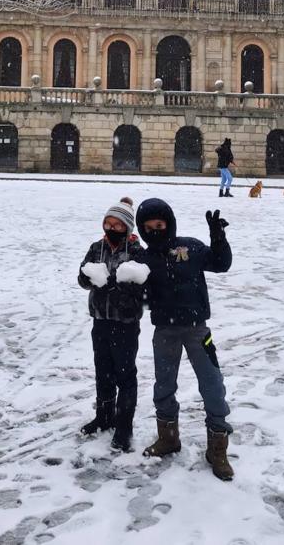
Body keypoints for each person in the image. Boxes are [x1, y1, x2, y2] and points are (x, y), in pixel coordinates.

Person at [136, 197, 234, 481]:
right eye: (148, 227)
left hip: (197, 330)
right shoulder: (143, 259)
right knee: (164, 384)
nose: (155, 230)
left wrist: (218, 239)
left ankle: (217, 447)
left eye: (159, 224)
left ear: (169, 223)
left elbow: (221, 264)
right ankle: (168, 438)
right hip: (164, 331)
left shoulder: (189, 246)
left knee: (212, 384)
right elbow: (140, 297)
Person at [78, 196, 149, 452]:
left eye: (117, 225)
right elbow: (82, 276)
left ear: (127, 227)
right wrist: (89, 278)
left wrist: (119, 289)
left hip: (125, 324)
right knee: (103, 371)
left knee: (125, 375)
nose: (111, 228)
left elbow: (144, 290)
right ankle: (104, 416)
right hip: (100, 320)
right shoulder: (97, 247)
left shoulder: (137, 252)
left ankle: (123, 427)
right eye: (108, 223)